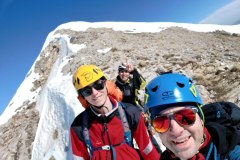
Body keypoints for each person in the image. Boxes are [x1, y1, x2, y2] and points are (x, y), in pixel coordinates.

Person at [70, 64, 160, 160]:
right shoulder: (78, 127)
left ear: (105, 84)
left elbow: (147, 149)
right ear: (82, 96)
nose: (95, 93)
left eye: (98, 85)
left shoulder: (132, 114)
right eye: (87, 91)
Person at [144, 72, 240, 160]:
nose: (176, 131)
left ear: (201, 119)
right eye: (161, 122)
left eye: (185, 116)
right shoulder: (166, 158)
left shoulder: (232, 151)